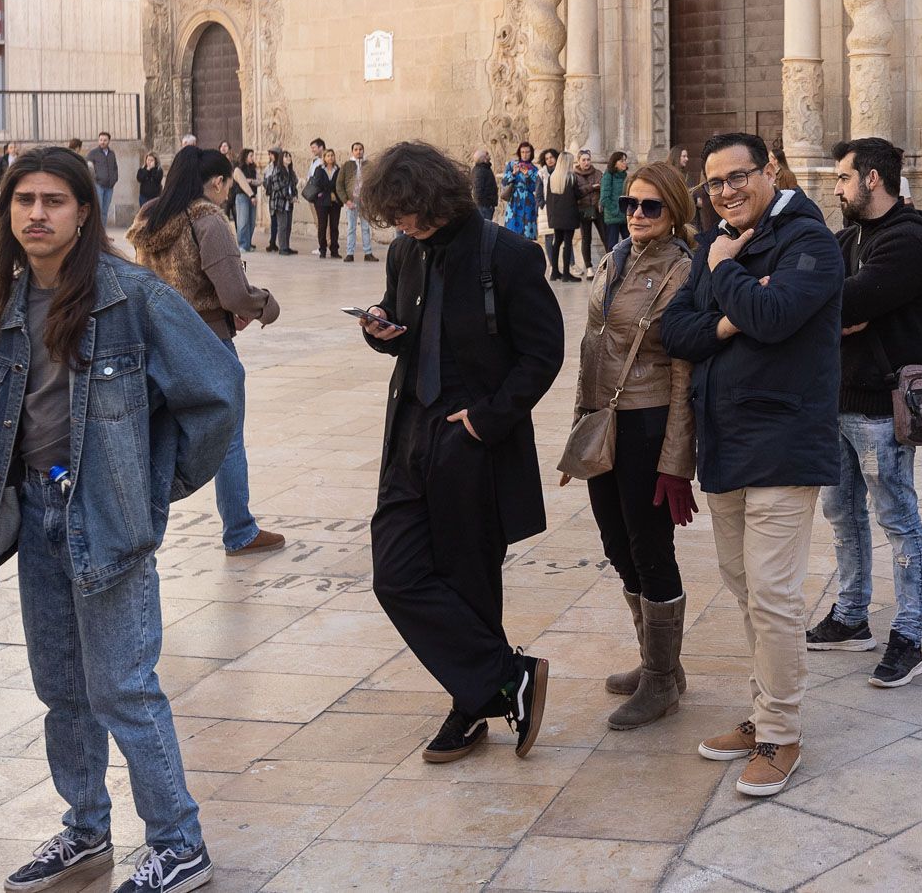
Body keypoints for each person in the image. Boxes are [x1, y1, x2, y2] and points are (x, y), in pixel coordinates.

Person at [0, 147, 240, 893]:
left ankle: (179, 842)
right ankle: (85, 830)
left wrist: (152, 485)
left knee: (123, 685)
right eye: (23, 199)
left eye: (53, 199)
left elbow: (218, 389)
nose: (35, 213)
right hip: (36, 511)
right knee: (61, 686)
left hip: (107, 517)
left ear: (84, 211)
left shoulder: (133, 297)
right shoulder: (4, 303)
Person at [356, 141, 564, 762]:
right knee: (395, 574)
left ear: (435, 198)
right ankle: (507, 674)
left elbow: (542, 354)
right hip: (409, 436)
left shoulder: (510, 256)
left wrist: (486, 421)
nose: (400, 226)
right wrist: (380, 330)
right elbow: (406, 330)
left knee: (470, 580)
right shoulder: (404, 252)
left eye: (407, 213)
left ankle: (471, 703)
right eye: (392, 216)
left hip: (473, 441)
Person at [661, 130, 843, 798]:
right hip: (727, 444)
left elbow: (773, 313)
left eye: (738, 176)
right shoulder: (720, 245)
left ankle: (782, 732)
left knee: (772, 593)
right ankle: (766, 710)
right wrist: (729, 309)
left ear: (769, 170)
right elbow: (674, 331)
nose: (727, 191)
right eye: (714, 183)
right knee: (746, 587)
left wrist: (727, 273)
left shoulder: (809, 242)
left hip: (784, 440)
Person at [567, 161, 698, 730]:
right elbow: (592, 350)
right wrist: (580, 425)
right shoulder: (615, 258)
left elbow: (681, 374)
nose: (638, 215)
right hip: (605, 420)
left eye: (651, 207)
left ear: (675, 212)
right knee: (617, 545)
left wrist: (674, 462)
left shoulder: (683, 272)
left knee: (650, 550)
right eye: (631, 205)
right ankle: (658, 663)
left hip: (647, 425)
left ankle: (662, 682)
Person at [805, 137, 922, 688]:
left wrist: (835, 308)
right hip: (837, 399)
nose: (835, 187)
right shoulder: (849, 238)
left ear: (872, 179)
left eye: (842, 177)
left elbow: (847, 303)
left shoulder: (909, 241)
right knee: (841, 515)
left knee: (897, 519)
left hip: (883, 407)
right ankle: (851, 614)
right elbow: (812, 296)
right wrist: (831, 309)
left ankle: (908, 636)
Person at [127, 146, 288, 558]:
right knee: (228, 437)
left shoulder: (149, 217)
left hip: (157, 344)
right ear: (217, 183)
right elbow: (234, 292)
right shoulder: (208, 220)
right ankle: (240, 531)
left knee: (158, 440)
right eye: (226, 185)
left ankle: (137, 533)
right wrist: (265, 305)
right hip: (208, 345)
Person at [336, 141, 377, 262]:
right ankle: (350, 253)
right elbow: (339, 184)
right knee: (351, 228)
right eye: (356, 149)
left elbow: (374, 182)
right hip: (351, 201)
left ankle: (368, 252)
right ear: (352, 151)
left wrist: (370, 198)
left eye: (360, 149)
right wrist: (345, 200)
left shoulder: (369, 165)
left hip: (364, 201)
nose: (358, 151)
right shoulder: (347, 165)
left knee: (365, 227)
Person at [544, 148, 580, 281]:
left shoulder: (552, 178)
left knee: (557, 242)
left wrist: (551, 217)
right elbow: (578, 195)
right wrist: (590, 188)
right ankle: (566, 273)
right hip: (569, 216)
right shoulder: (571, 178)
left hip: (556, 217)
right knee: (568, 243)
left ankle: (554, 272)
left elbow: (548, 199)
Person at [570, 148, 606, 277]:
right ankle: (589, 266)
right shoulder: (574, 175)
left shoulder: (597, 173)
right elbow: (577, 193)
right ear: (578, 161)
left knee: (605, 236)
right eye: (584, 160)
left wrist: (595, 189)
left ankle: (610, 263)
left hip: (597, 209)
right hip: (583, 210)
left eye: (588, 159)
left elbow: (603, 185)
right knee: (586, 239)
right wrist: (592, 187)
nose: (586, 162)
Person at [304, 146, 342, 258]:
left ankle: (334, 250)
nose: (330, 158)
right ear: (324, 158)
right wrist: (330, 188)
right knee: (322, 226)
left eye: (332, 155)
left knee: (334, 226)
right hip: (322, 202)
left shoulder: (338, 170)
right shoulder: (319, 170)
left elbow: (339, 184)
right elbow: (318, 184)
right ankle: (323, 249)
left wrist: (330, 189)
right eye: (328, 156)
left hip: (335, 202)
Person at [500, 141, 541, 240]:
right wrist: (513, 174)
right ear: (519, 153)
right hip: (514, 199)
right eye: (522, 152)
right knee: (512, 230)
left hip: (528, 201)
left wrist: (527, 175)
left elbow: (535, 187)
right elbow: (504, 182)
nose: (525, 154)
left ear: (531, 153)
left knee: (527, 232)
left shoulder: (535, 169)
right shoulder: (511, 165)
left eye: (527, 152)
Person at [263, 148, 299, 255]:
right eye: (285, 156)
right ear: (281, 159)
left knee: (288, 225)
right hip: (280, 202)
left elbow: (293, 186)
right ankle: (282, 248)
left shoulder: (291, 172)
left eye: (289, 156)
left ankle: (286, 246)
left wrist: (295, 195)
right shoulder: (277, 171)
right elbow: (279, 187)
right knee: (282, 225)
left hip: (289, 202)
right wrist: (289, 197)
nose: (288, 158)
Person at [229, 148, 260, 252]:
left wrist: (250, 181)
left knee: (251, 221)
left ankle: (248, 243)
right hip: (242, 196)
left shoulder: (254, 169)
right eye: (251, 155)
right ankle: (242, 245)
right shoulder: (238, 169)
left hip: (252, 196)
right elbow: (240, 181)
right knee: (243, 221)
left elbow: (259, 181)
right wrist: (251, 183)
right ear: (245, 156)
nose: (253, 158)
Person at [86, 132, 119, 226]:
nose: (102, 142)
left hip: (109, 186)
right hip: (98, 186)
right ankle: (97, 233)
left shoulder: (112, 154)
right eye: (100, 140)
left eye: (105, 140)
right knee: (98, 210)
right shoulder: (93, 153)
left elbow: (115, 167)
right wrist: (96, 179)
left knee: (105, 211)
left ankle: (102, 233)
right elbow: (89, 168)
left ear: (109, 141)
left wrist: (114, 179)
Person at [600, 150, 630, 246]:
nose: (625, 163)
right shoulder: (608, 175)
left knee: (630, 242)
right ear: (615, 163)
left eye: (625, 160)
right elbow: (604, 198)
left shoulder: (625, 176)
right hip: (613, 217)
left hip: (624, 215)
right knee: (612, 245)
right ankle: (611, 261)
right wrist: (616, 210)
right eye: (622, 161)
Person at [472, 148, 499, 222]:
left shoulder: (485, 168)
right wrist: (485, 204)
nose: (489, 155)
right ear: (483, 159)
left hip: (487, 206)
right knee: (484, 228)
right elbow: (477, 191)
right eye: (486, 154)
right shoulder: (480, 171)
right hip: (484, 207)